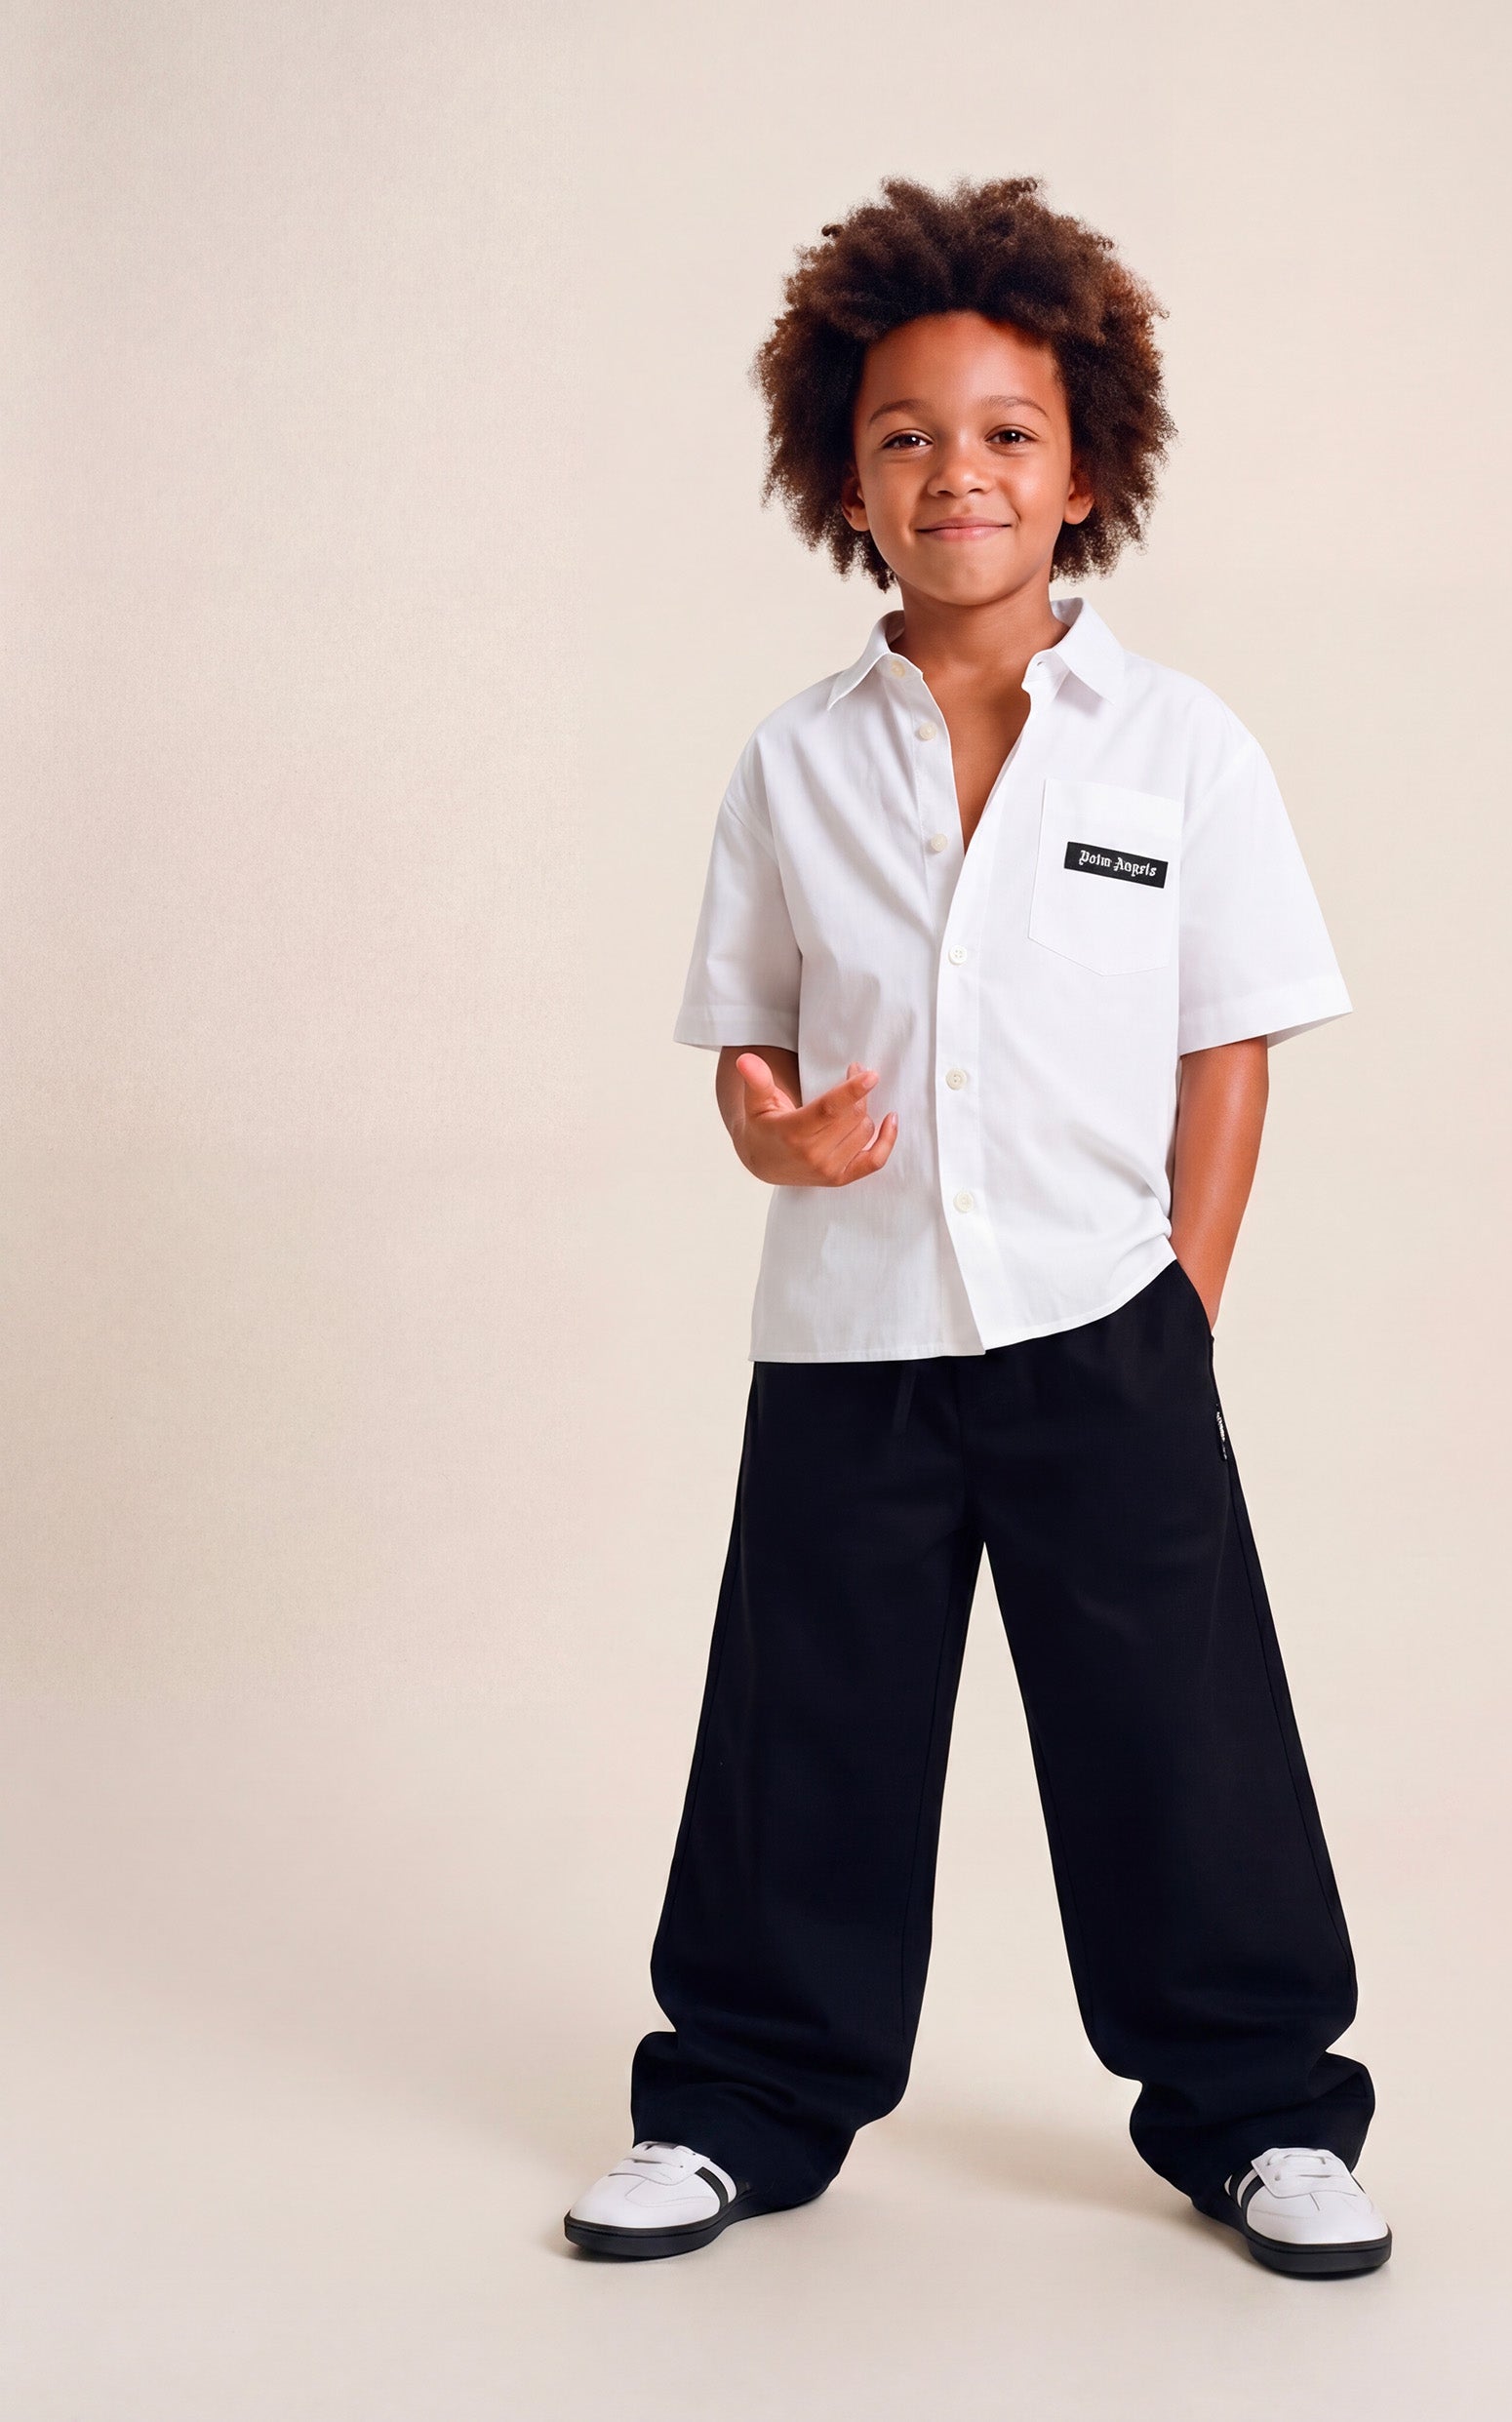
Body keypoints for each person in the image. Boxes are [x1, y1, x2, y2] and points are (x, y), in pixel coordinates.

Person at [565, 176, 1388, 2279]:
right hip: (849, 1333)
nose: (960, 472)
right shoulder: (790, 764)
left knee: (1179, 1737)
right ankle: (739, 2105)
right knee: (806, 1736)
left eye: (1008, 433)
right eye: (908, 436)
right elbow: (751, 1052)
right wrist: (777, 1146)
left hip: (1107, 1323)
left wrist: (1183, 1308)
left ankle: (1260, 2114)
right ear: (844, 484)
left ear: (1085, 469)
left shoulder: (1182, 751)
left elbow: (1229, 1046)